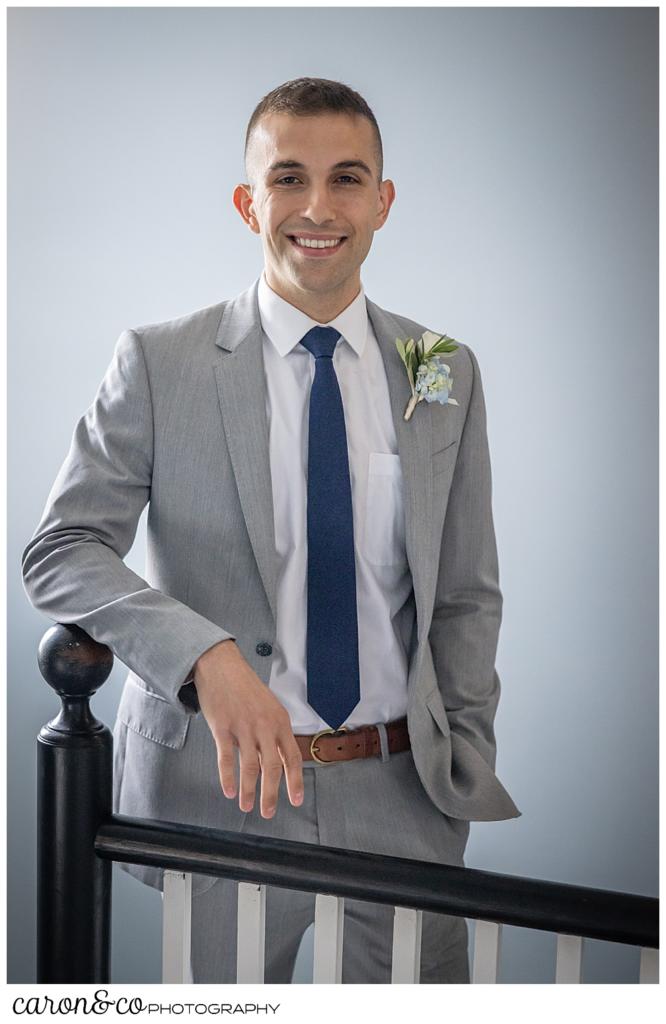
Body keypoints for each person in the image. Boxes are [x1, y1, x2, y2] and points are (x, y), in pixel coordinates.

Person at [21, 77, 521, 984]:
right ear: (250, 201)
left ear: (383, 201)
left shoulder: (439, 369)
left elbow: (464, 591)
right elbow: (60, 550)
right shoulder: (160, 360)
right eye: (288, 178)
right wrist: (205, 660)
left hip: (403, 789)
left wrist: (460, 758)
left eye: (347, 178)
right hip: (224, 790)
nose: (317, 207)